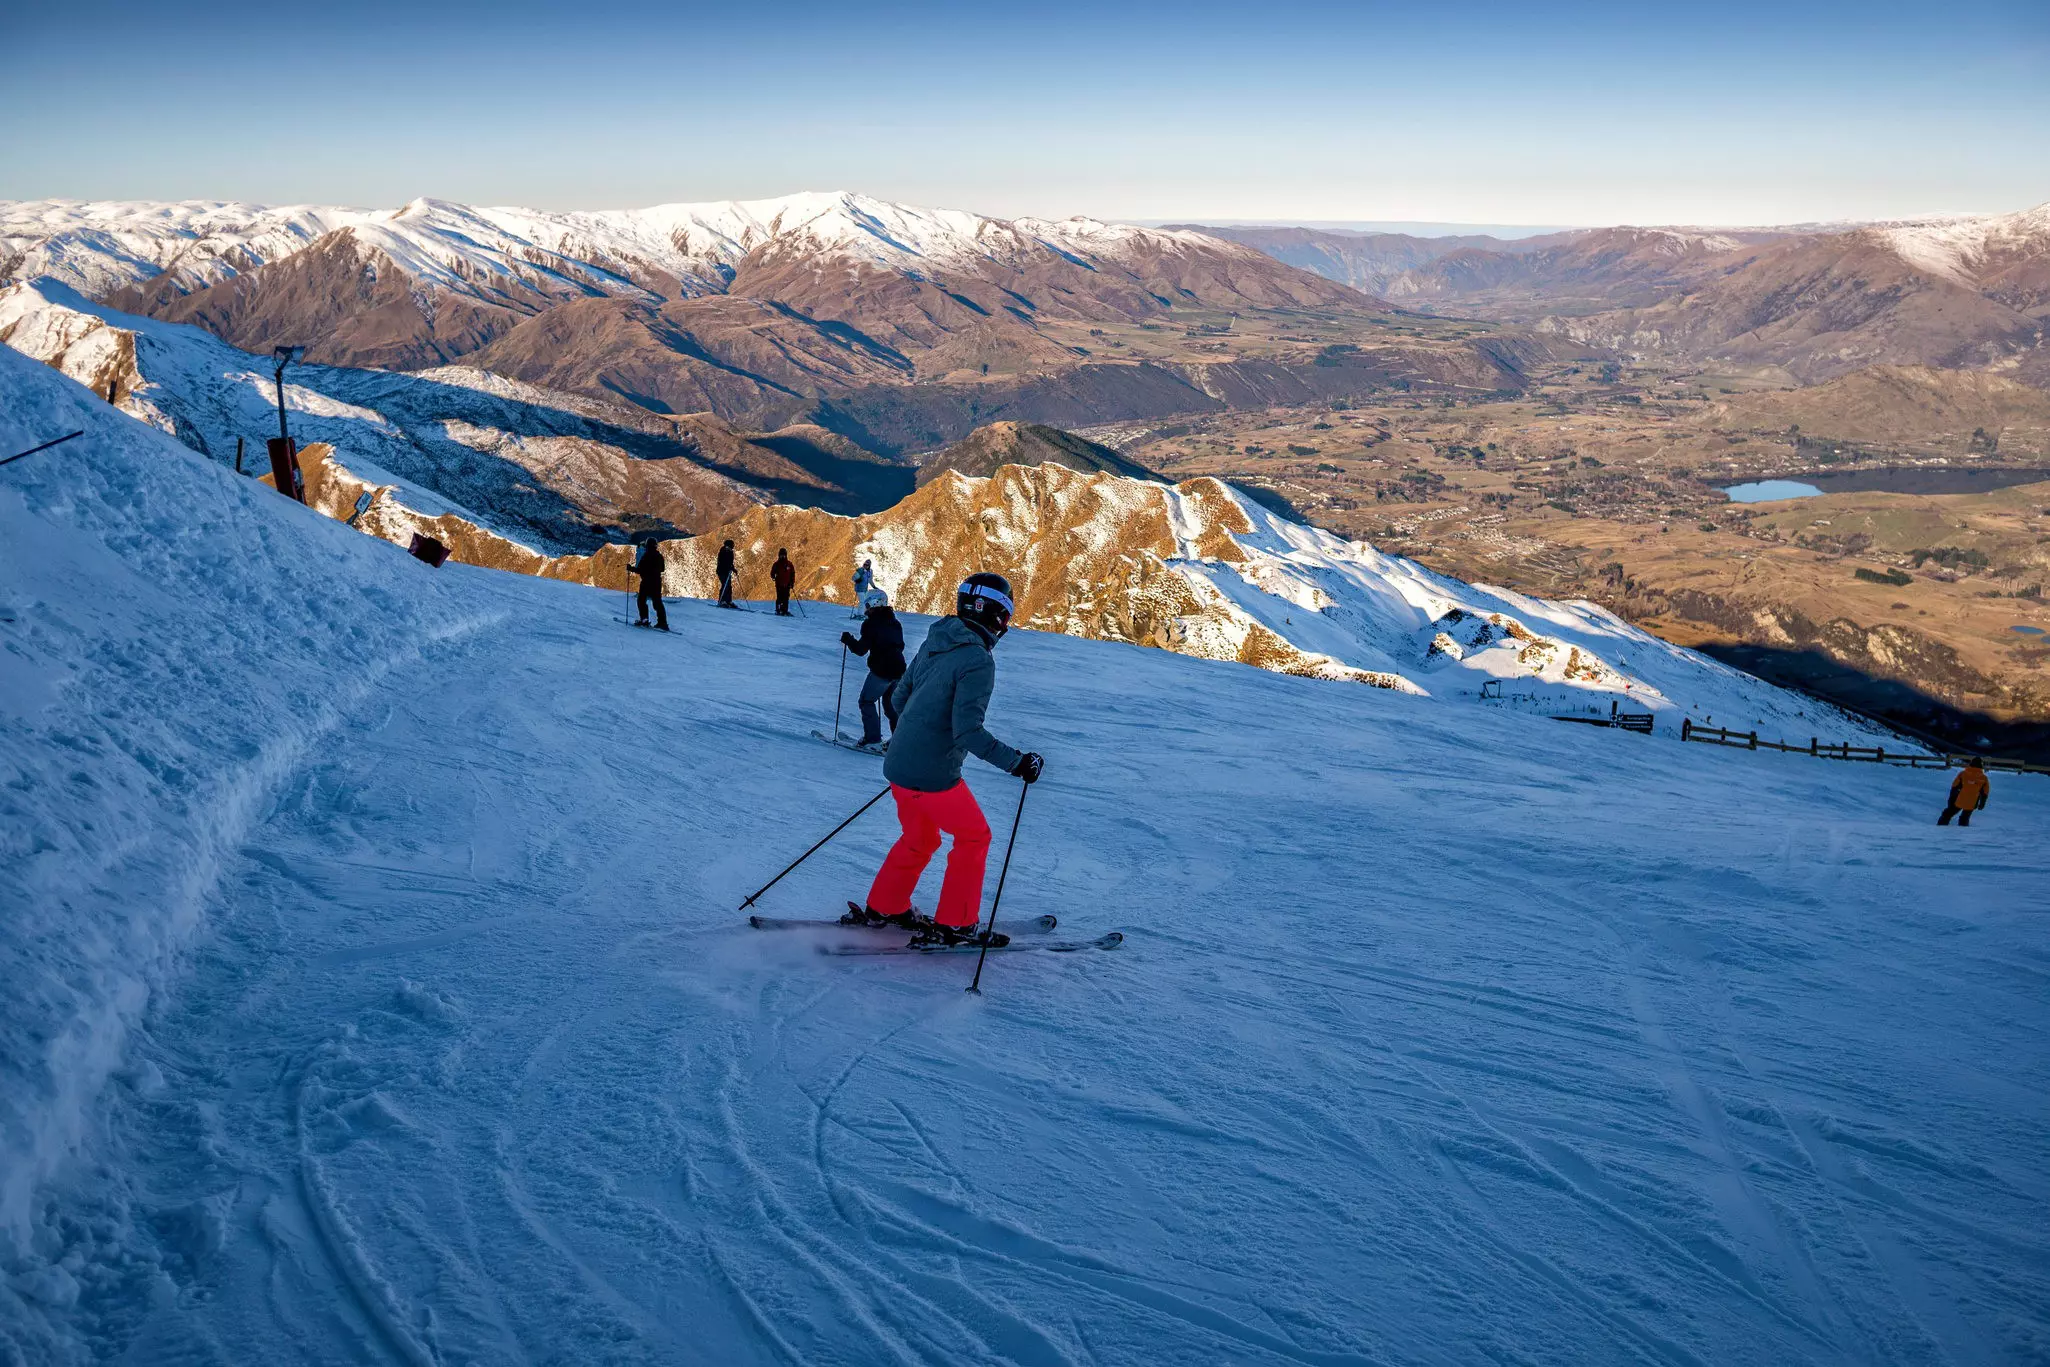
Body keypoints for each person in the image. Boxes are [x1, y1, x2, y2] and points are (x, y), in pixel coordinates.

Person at [846, 572, 1044, 947]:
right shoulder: (977, 660)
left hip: (898, 766)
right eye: (1005, 615)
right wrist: (1018, 763)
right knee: (974, 837)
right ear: (995, 615)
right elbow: (967, 732)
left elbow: (899, 699)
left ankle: (884, 907)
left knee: (919, 838)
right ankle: (956, 924)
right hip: (933, 776)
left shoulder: (936, 640)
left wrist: (918, 737)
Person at [840, 590, 905, 750]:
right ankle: (898, 741)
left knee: (866, 701)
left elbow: (861, 649)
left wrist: (849, 640)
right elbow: (900, 646)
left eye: (868, 604)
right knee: (891, 706)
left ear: (875, 604)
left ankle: (872, 739)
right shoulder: (895, 622)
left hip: (882, 671)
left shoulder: (871, 624)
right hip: (899, 670)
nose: (866, 608)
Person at [1939, 758, 1990, 826]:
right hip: (1972, 802)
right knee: (1965, 817)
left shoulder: (1963, 774)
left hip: (1959, 800)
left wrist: (1951, 800)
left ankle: (1940, 827)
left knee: (1947, 814)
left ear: (1971, 764)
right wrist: (1982, 803)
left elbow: (1954, 786)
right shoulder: (1984, 778)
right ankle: (1963, 832)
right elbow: (1985, 793)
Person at [632, 538, 668, 631]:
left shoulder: (646, 555)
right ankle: (662, 623)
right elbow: (662, 569)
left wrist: (630, 568)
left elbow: (640, 569)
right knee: (657, 602)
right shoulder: (659, 556)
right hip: (656, 582)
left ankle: (644, 619)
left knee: (641, 600)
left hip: (646, 582)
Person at [771, 548, 797, 616]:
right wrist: (773, 576)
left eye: (784, 555)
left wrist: (792, 582)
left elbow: (792, 573)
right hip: (779, 584)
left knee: (786, 598)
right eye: (781, 555)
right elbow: (772, 572)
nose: (782, 557)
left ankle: (785, 611)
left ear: (786, 555)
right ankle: (778, 610)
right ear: (779, 555)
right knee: (779, 597)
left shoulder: (789, 564)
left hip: (787, 584)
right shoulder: (776, 564)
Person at [716, 539, 738, 608]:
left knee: (729, 586)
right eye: (731, 545)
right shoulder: (722, 552)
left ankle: (728, 601)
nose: (732, 547)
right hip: (721, 571)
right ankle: (722, 601)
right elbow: (722, 562)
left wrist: (733, 569)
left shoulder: (730, 552)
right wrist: (730, 568)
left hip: (727, 572)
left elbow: (730, 563)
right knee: (725, 585)